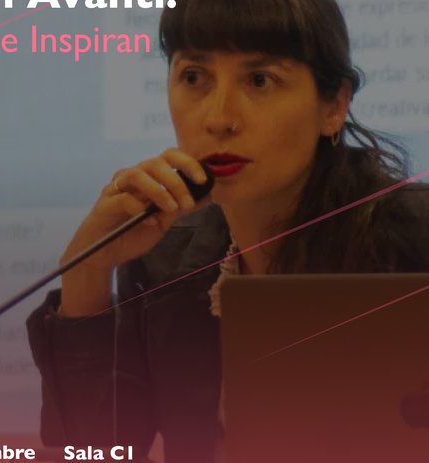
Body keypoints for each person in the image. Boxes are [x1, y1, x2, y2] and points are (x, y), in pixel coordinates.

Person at [26, 0, 429, 461]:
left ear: (334, 106)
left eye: (259, 80)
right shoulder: (164, 258)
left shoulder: (415, 240)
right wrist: (87, 272)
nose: (219, 118)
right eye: (194, 77)